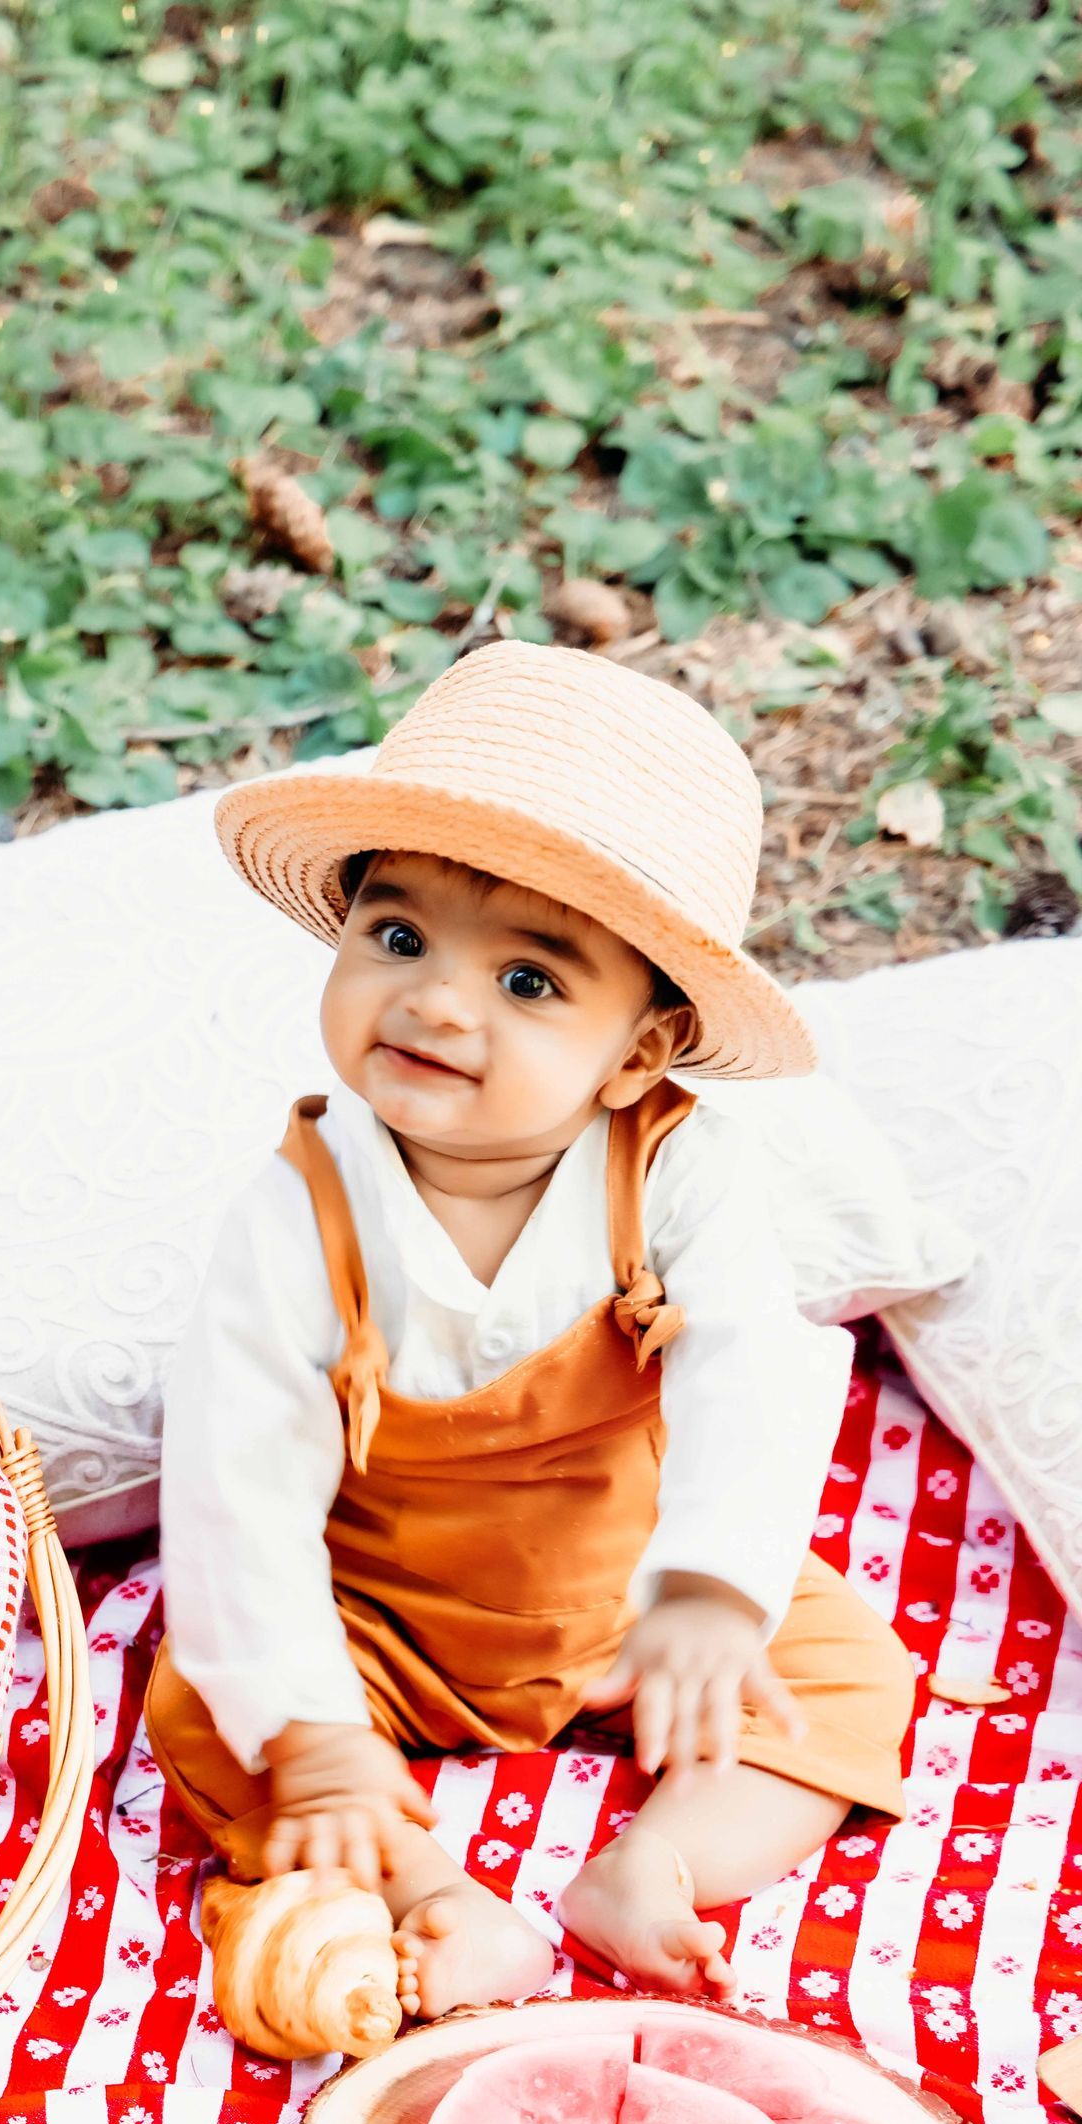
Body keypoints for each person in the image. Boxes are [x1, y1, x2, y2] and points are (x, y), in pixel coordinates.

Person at [146, 640, 914, 2022]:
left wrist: (712, 1593)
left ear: (636, 1055)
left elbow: (758, 1365)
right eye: (398, 939)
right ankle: (436, 1903)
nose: (437, 1001)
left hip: (625, 1599)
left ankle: (655, 1868)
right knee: (213, 1717)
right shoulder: (304, 1213)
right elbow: (233, 1484)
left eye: (530, 983)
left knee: (844, 1673)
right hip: (375, 1613)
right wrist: (312, 1727)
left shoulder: (680, 1172)